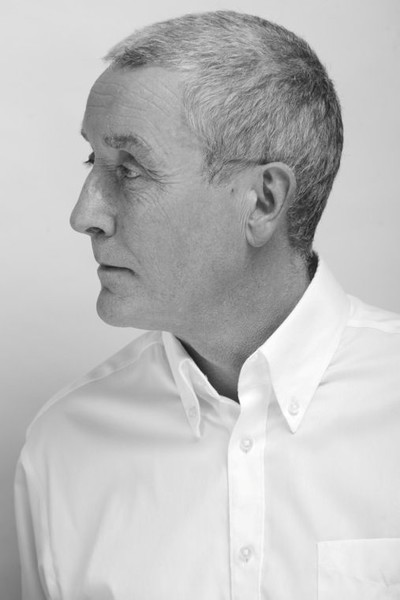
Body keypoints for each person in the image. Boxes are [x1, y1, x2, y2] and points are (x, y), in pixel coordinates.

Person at [14, 10, 400, 600]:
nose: (84, 214)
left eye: (130, 169)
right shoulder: (62, 448)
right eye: (94, 161)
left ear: (262, 201)